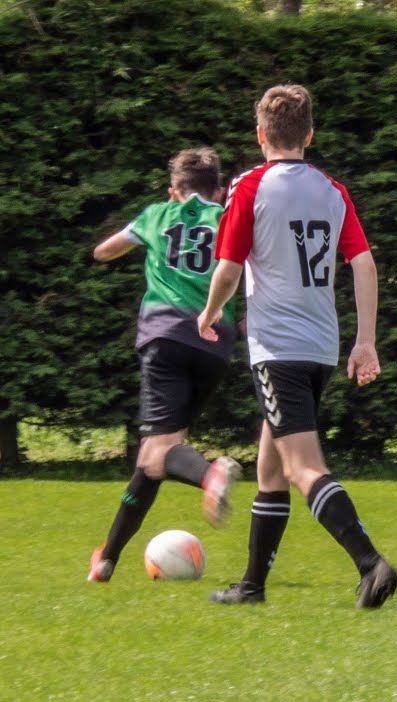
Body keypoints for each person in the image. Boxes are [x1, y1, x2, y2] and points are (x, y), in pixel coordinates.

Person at [198, 84, 397, 608]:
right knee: (272, 467)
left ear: (260, 135)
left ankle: (371, 565)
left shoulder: (249, 186)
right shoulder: (333, 191)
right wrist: (365, 342)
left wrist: (211, 311)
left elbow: (229, 268)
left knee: (305, 467)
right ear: (308, 135)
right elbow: (364, 264)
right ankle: (252, 587)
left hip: (278, 348)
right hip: (320, 346)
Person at [87, 147, 242, 583]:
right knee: (154, 457)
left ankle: (211, 474)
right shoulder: (229, 219)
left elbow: (104, 251)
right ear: (220, 190)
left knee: (159, 451)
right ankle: (107, 558)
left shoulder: (157, 214)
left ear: (174, 191)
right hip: (214, 344)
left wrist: (134, 242)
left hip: (165, 338)